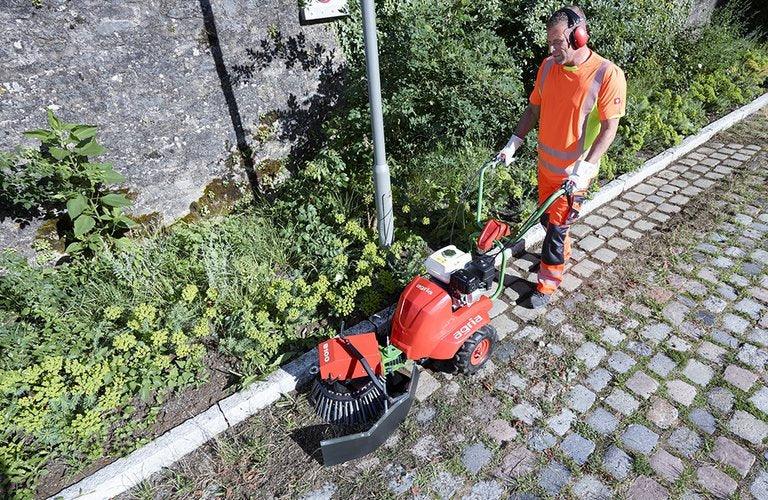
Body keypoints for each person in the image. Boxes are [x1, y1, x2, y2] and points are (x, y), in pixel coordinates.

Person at [497, 5, 626, 309]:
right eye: (549, 43)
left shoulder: (606, 74)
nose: (553, 49)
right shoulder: (547, 67)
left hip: (574, 176)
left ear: (579, 36)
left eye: (558, 42)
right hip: (546, 168)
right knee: (548, 221)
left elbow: (610, 128)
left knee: (555, 231)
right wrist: (514, 142)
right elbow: (533, 109)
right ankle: (561, 254)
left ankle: (548, 283)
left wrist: (585, 167)